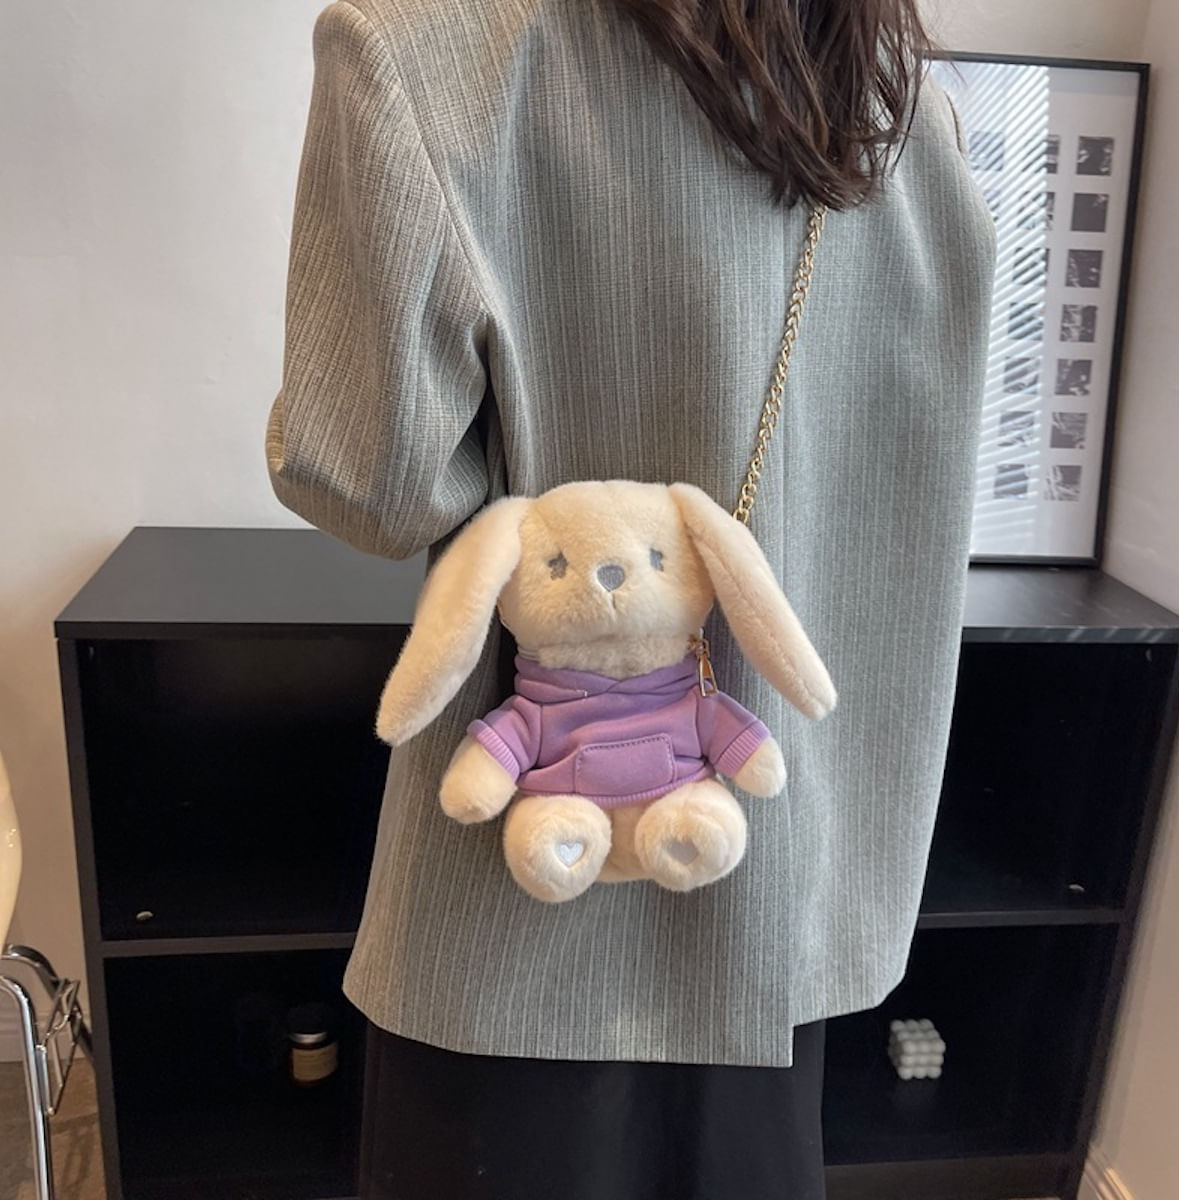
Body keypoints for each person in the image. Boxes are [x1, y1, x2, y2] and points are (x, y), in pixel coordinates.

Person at [265, 0, 995, 1195]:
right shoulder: (896, 106)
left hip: (514, 923)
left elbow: (368, 484)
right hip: (784, 890)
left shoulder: (422, 55)